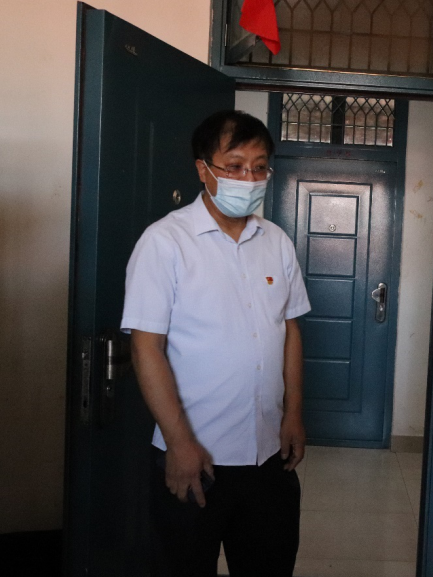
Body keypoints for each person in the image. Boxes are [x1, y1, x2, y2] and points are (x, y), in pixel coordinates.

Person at [121, 110, 311, 577]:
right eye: (235, 166)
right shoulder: (165, 243)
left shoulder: (277, 242)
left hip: (268, 457)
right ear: (203, 169)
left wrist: (292, 413)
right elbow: (146, 348)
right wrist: (179, 443)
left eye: (260, 167)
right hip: (194, 457)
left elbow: (290, 330)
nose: (249, 179)